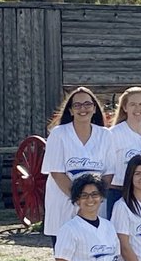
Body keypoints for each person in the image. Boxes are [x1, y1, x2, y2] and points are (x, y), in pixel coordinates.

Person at [43, 86, 112, 243]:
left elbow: (108, 173)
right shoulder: (58, 134)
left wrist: (93, 200)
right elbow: (57, 173)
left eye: (87, 104)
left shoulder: (105, 135)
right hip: (64, 206)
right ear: (71, 110)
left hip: (95, 208)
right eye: (77, 105)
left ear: (95, 108)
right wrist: (80, 200)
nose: (83, 109)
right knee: (65, 254)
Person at [106, 87, 141, 210]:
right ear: (125, 108)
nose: (138, 108)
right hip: (118, 192)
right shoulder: (113, 134)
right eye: (133, 104)